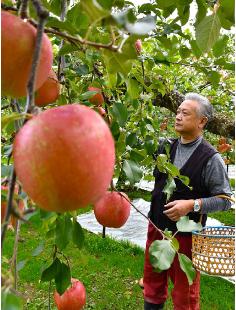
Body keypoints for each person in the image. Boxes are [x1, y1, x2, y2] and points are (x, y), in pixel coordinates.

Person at [143, 93, 232, 310]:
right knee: (152, 287)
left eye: (185, 113)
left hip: (186, 238)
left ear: (202, 122)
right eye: (177, 112)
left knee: (185, 296)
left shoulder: (210, 158)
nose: (178, 117)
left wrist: (192, 205)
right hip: (156, 228)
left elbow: (225, 200)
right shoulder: (165, 147)